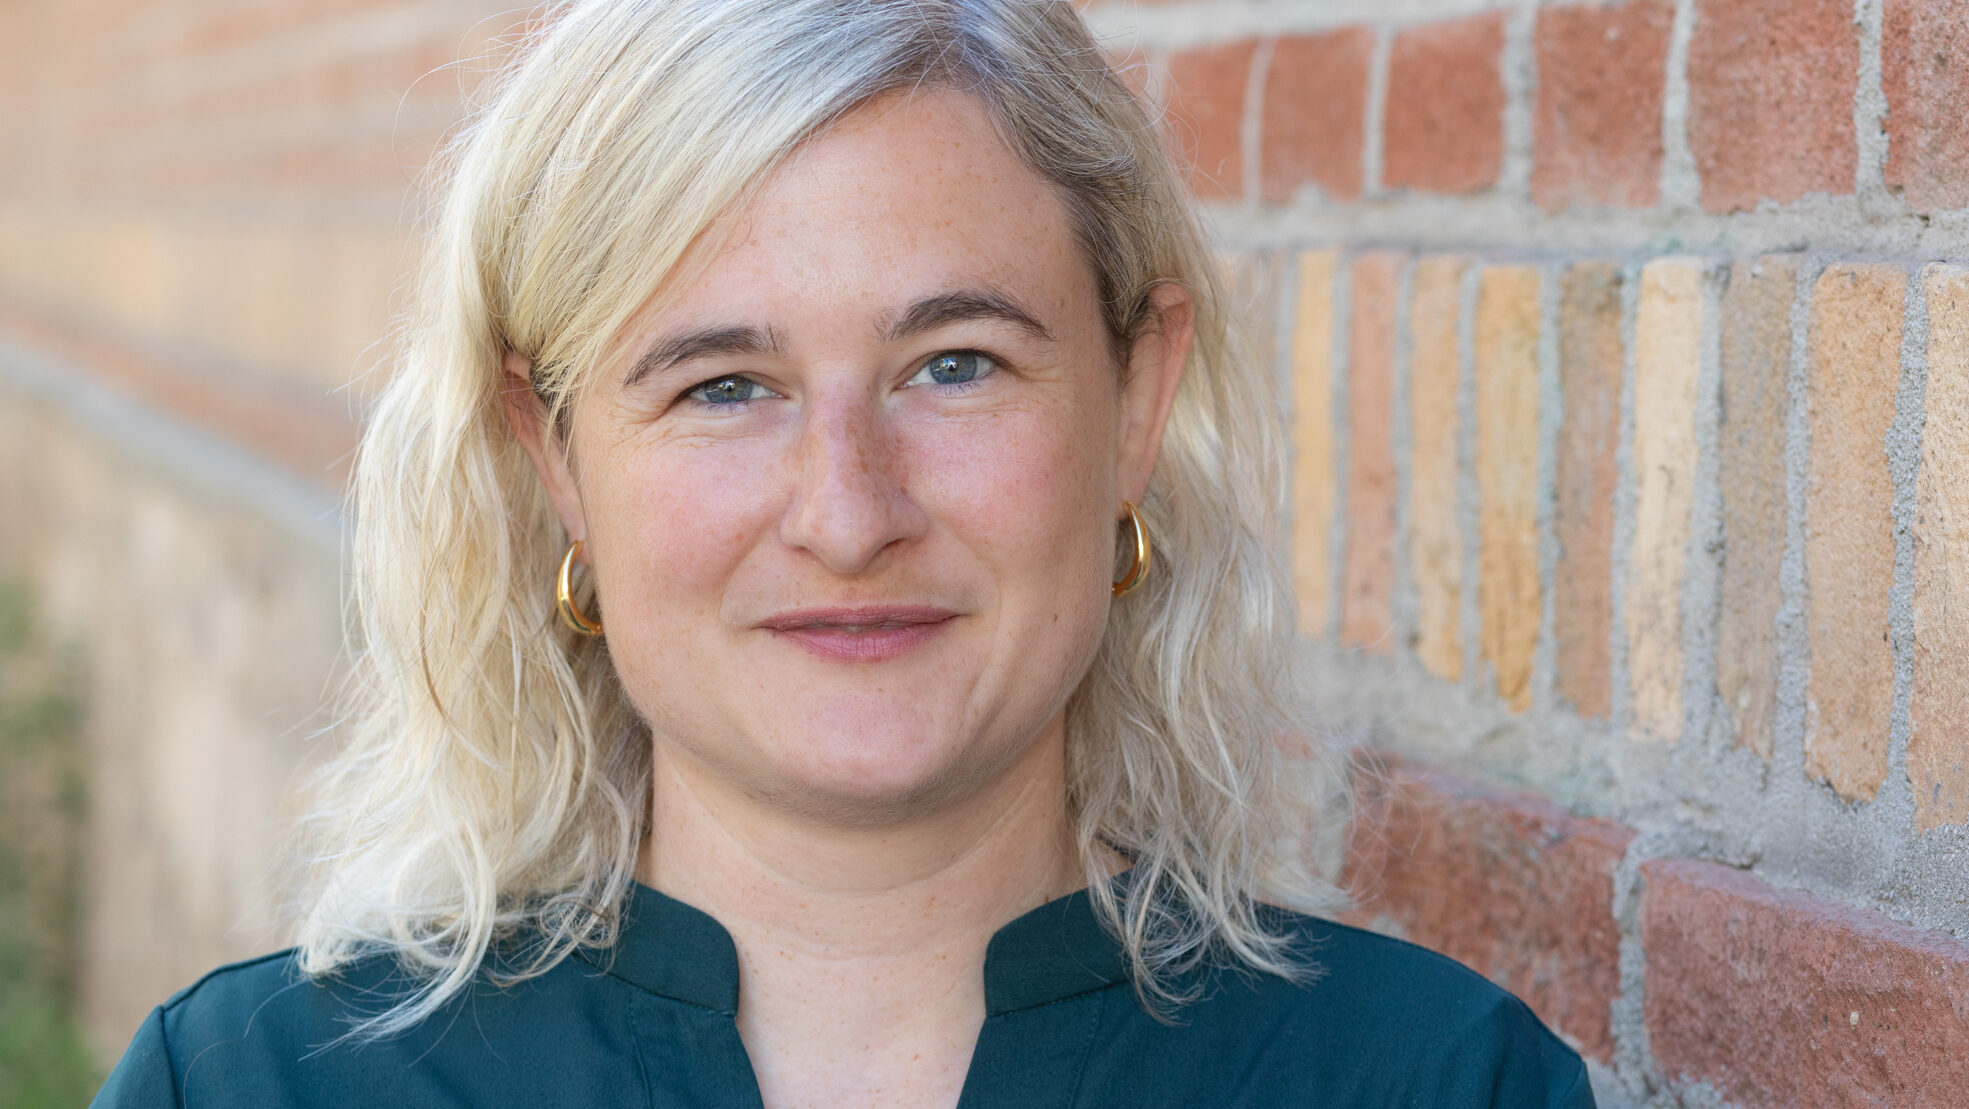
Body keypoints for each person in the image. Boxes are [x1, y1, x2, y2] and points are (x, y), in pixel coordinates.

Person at [93, 1, 1594, 1105]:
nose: (848, 510)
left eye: (955, 363)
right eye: (722, 387)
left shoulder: (1437, 1085)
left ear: (1135, 403)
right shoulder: (245, 1088)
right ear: (555, 460)